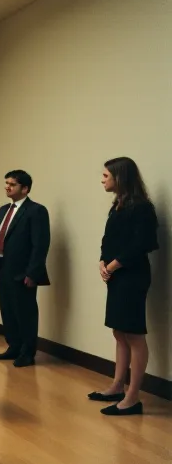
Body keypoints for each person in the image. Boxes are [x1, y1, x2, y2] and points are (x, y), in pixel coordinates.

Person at [89, 157, 158, 416]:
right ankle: (117, 386)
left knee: (134, 334)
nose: (102, 180)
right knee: (119, 332)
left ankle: (133, 397)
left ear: (120, 177)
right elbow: (108, 239)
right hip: (117, 275)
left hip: (132, 276)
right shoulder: (117, 205)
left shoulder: (142, 207)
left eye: (106, 176)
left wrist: (113, 265)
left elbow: (142, 244)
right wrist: (102, 261)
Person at [0, 170, 51, 367]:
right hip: (3, 269)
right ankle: (14, 346)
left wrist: (32, 273)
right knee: (7, 311)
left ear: (25, 188)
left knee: (25, 313)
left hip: (23, 272)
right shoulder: (3, 210)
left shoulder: (36, 211)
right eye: (6, 183)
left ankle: (27, 352)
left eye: (12, 184)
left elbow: (40, 245)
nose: (7, 187)